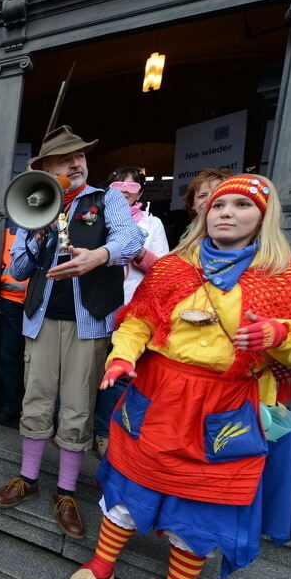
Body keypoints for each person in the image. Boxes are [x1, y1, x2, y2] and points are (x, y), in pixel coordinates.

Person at [68, 175, 291, 579]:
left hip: (226, 406)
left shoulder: (289, 274)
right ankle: (100, 566)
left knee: (203, 505)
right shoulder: (174, 267)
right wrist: (122, 356)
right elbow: (139, 319)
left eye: (242, 205)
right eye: (220, 205)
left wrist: (281, 335)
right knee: (130, 486)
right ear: (204, 213)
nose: (226, 213)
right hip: (159, 395)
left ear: (264, 216)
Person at [0, 126, 143, 538]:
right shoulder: (36, 201)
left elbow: (131, 237)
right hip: (41, 318)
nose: (76, 163)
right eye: (65, 158)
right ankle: (28, 477)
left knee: (77, 404)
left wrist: (101, 255)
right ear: (45, 168)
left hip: (89, 321)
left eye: (80, 156)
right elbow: (18, 269)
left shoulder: (105, 197)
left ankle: (66, 490)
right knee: (36, 398)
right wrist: (36, 238)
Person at [91, 167, 170, 457]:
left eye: (131, 185)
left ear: (140, 191)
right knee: (87, 369)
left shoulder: (153, 225)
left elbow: (162, 271)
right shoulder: (95, 218)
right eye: (117, 184)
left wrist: (136, 250)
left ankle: (103, 432)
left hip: (131, 311)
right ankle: (76, 429)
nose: (124, 189)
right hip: (95, 308)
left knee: (117, 376)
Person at [0, 225, 27, 424]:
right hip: (10, 299)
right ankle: (8, 405)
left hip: (41, 300)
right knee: (7, 355)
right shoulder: (8, 224)